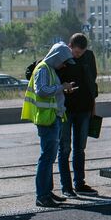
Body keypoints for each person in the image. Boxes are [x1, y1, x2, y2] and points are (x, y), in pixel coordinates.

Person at [22, 41, 77, 208]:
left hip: (53, 118)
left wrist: (63, 89)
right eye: (63, 62)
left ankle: (47, 192)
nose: (64, 66)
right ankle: (42, 195)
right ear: (56, 57)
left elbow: (50, 91)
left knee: (49, 157)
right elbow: (42, 90)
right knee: (46, 158)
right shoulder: (44, 69)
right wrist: (62, 87)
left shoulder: (50, 69)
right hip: (47, 120)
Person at [57, 32, 99, 197]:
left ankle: (79, 183)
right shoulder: (61, 56)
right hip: (66, 111)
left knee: (80, 149)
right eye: (75, 52)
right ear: (70, 46)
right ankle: (66, 187)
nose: (78, 55)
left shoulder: (89, 57)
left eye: (81, 53)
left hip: (85, 109)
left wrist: (93, 107)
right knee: (65, 149)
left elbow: (92, 82)